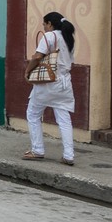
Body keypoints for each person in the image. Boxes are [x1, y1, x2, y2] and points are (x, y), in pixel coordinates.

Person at [23, 11, 76, 166]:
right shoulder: (69, 39)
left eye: (44, 24)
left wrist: (27, 71)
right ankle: (69, 155)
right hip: (65, 82)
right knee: (64, 119)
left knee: (33, 113)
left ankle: (38, 150)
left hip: (48, 82)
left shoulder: (50, 36)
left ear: (50, 24)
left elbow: (38, 56)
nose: (44, 27)